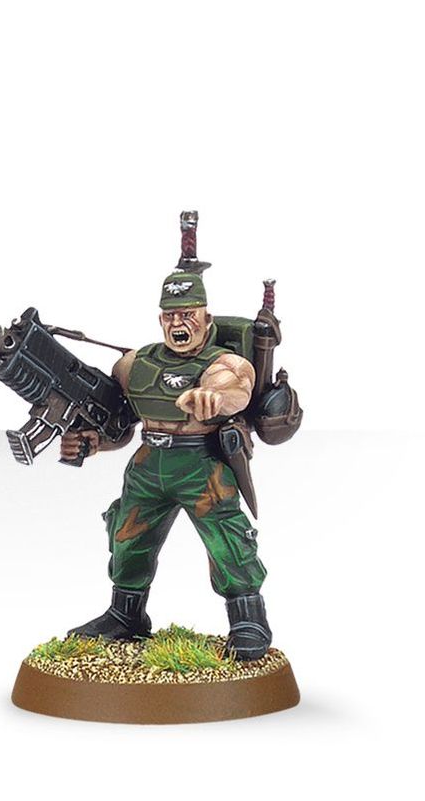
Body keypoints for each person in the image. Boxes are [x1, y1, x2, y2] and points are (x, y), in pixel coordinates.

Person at [62, 267, 271, 660]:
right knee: (127, 537)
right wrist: (92, 442)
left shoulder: (224, 362)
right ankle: (125, 616)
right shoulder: (134, 365)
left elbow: (237, 386)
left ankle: (249, 621)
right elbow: (121, 427)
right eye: (171, 315)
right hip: (148, 462)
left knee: (227, 539)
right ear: (160, 319)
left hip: (201, 465)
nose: (179, 324)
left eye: (188, 314)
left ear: (206, 319)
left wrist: (213, 396)